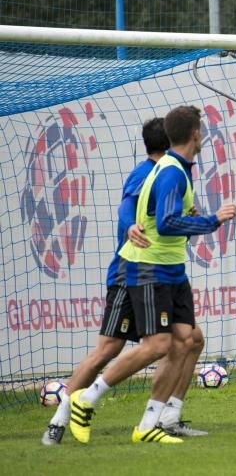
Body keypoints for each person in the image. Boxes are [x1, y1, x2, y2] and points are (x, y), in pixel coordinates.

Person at [68, 105, 236, 444]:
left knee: (189, 339)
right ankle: (85, 399)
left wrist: (190, 216)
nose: (202, 134)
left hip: (172, 269)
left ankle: (152, 423)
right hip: (149, 268)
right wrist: (212, 220)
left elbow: (166, 215)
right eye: (201, 129)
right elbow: (165, 222)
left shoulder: (176, 169)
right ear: (195, 133)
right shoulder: (172, 171)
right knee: (154, 344)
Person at [42, 118, 207, 445]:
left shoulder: (173, 173)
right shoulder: (149, 173)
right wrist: (131, 225)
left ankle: (165, 418)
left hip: (152, 270)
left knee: (190, 339)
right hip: (130, 271)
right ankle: (61, 417)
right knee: (110, 349)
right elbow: (126, 206)